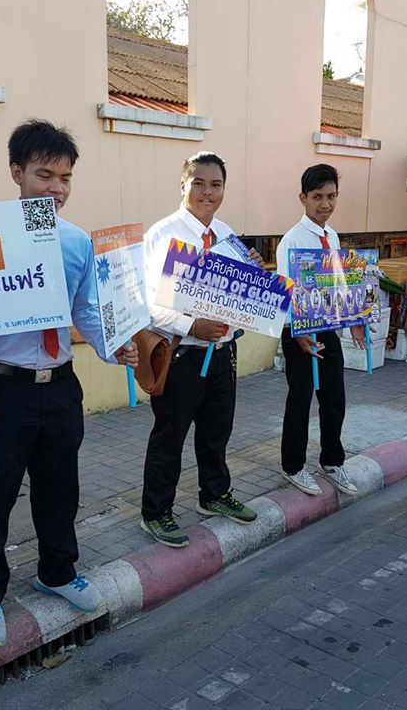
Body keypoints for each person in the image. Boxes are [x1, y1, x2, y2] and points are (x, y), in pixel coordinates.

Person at [0, 120, 138, 649]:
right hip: (1, 387)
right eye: (44, 175)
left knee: (60, 487)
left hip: (59, 386)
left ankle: (57, 572)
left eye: (65, 178)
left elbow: (86, 309)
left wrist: (114, 346)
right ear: (16, 172)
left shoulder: (77, 242)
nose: (56, 188)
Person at [139, 152, 261, 548]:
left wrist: (254, 273)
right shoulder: (163, 236)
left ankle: (214, 495)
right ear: (183, 186)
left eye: (216, 185)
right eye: (199, 184)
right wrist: (192, 326)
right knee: (169, 437)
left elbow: (239, 295)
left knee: (216, 432)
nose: (208, 192)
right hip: (183, 356)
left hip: (223, 354)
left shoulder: (226, 235)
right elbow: (148, 304)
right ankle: (156, 512)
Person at [275, 164, 365, 496]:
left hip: (327, 330)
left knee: (334, 398)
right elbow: (286, 292)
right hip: (299, 333)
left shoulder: (333, 236)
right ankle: (293, 466)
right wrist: (298, 332)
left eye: (331, 196)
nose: (325, 204)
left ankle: (332, 461)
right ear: (303, 198)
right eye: (317, 197)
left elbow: (338, 284)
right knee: (300, 401)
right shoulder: (291, 240)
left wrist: (354, 321)